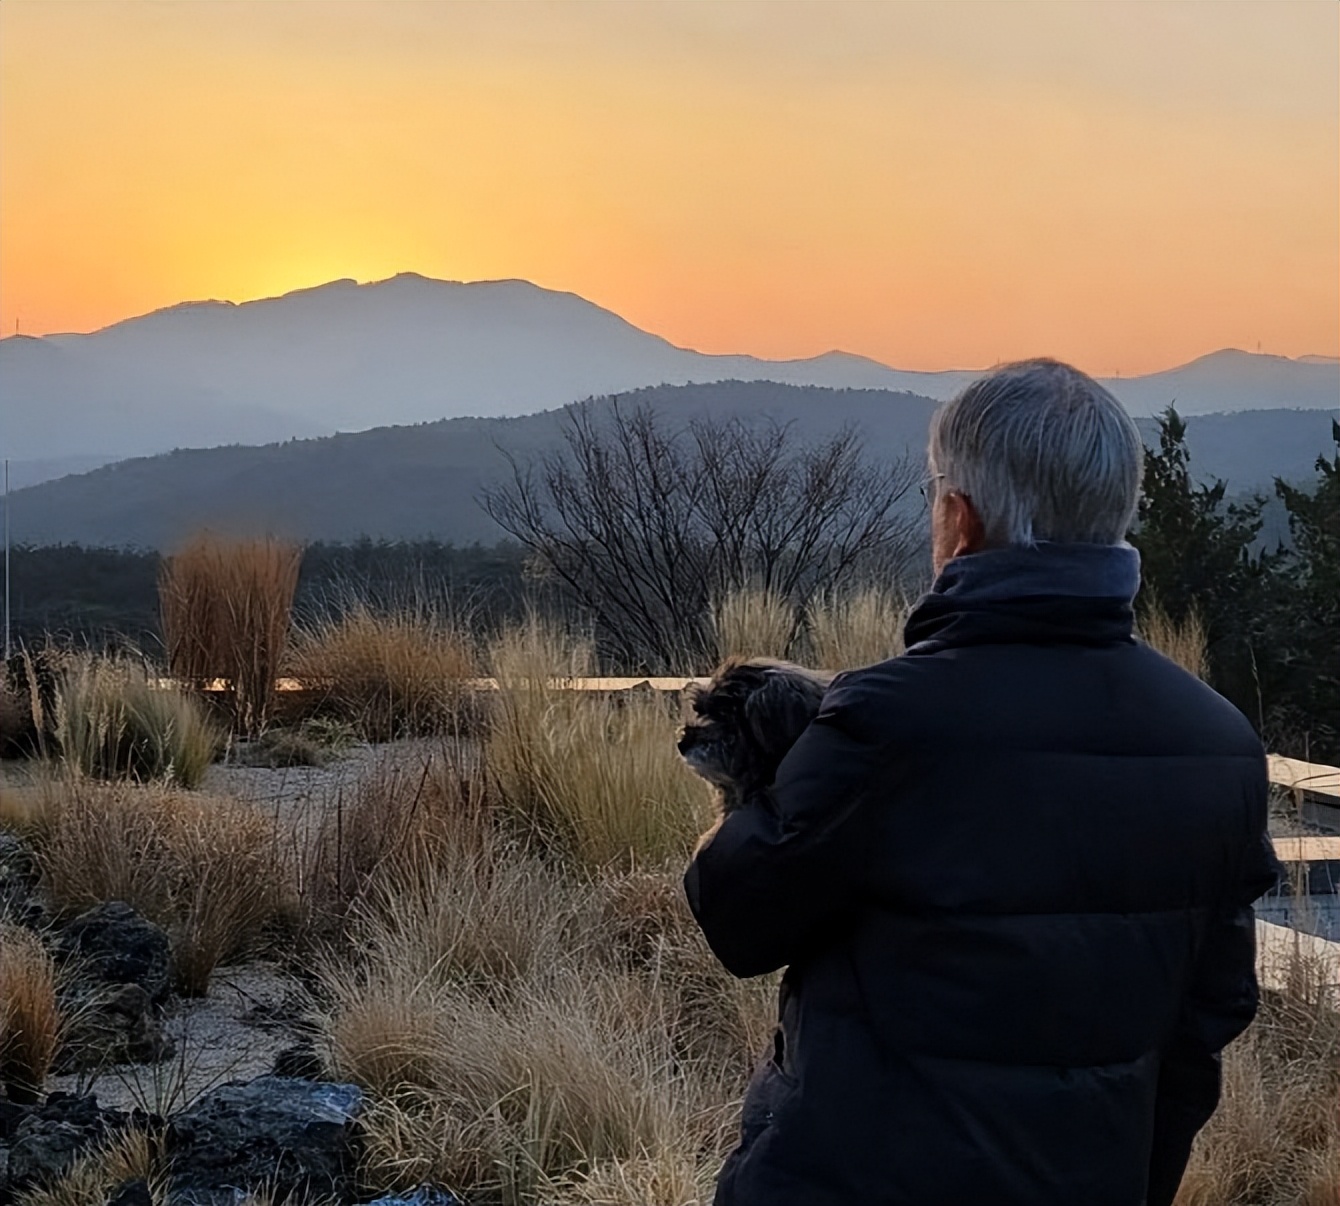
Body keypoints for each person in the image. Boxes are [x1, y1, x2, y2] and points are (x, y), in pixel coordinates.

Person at [684, 358, 1281, 1206]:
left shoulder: (886, 719)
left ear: (959, 520)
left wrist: (755, 775)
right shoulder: (1220, 743)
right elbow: (1211, 1015)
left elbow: (736, 916)